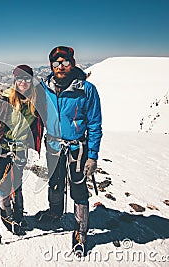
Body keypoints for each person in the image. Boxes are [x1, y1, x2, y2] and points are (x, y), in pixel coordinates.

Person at [38, 46, 102, 255]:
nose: (61, 67)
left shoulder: (86, 89)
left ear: (72, 64)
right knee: (55, 183)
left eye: (65, 62)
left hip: (77, 148)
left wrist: (92, 156)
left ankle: (80, 231)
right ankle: (55, 214)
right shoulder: (44, 87)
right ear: (51, 66)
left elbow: (94, 124)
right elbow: (25, 104)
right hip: (54, 145)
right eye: (56, 63)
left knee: (78, 188)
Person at [0, 64, 44, 235]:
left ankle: (18, 213)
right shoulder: (5, 99)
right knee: (3, 182)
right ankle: (6, 212)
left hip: (20, 148)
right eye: (20, 79)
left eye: (26, 79)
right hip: (0, 147)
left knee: (17, 182)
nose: (23, 82)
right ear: (15, 81)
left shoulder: (35, 100)